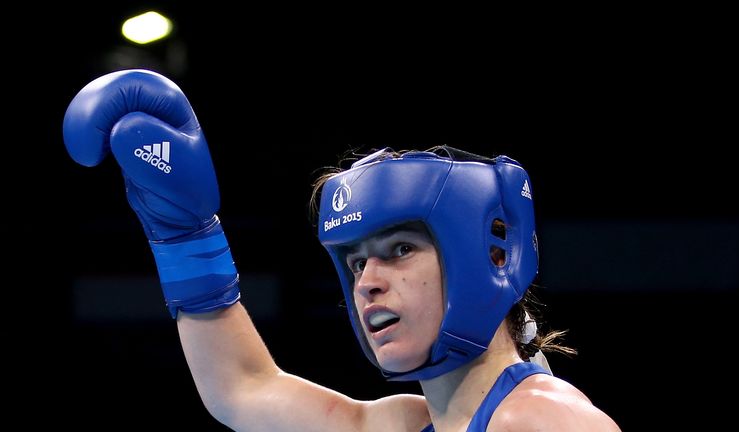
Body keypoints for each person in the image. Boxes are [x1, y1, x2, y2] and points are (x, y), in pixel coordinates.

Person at [63, 69, 621, 431]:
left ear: (492, 258)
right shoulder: (409, 424)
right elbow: (243, 389)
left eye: (399, 249)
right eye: (356, 262)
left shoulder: (544, 421)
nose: (367, 282)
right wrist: (185, 236)